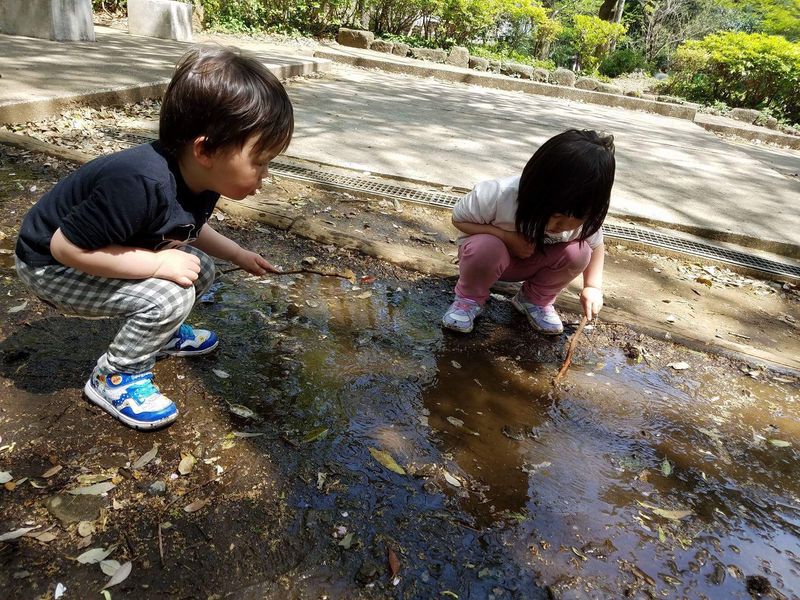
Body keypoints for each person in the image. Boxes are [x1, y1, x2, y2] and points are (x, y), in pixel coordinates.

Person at [14, 46, 294, 430]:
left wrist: (239, 254)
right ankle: (115, 377)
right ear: (206, 149)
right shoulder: (137, 183)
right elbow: (65, 247)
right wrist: (158, 263)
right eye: (259, 162)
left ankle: (159, 335)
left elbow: (188, 227)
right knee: (170, 292)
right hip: (49, 265)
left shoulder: (200, 177)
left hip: (93, 250)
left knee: (199, 268)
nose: (265, 175)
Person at [442, 129, 615, 335]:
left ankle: (534, 300)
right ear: (533, 189)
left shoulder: (587, 218)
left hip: (535, 265)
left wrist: (593, 287)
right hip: (488, 261)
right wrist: (506, 236)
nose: (554, 227)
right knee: (485, 247)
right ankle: (469, 298)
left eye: (567, 223)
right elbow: (459, 219)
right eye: (553, 215)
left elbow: (596, 246)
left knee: (580, 252)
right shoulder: (498, 194)